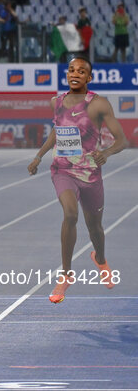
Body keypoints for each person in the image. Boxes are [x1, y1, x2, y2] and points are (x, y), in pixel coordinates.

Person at [27, 56, 128, 304]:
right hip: (63, 170)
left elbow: (122, 140)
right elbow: (57, 131)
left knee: (96, 229)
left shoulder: (99, 104)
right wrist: (39, 156)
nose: (75, 74)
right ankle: (65, 275)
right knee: (70, 215)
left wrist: (105, 152)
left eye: (81, 71)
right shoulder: (56, 102)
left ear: (89, 78)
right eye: (71, 70)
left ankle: (101, 260)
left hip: (90, 174)